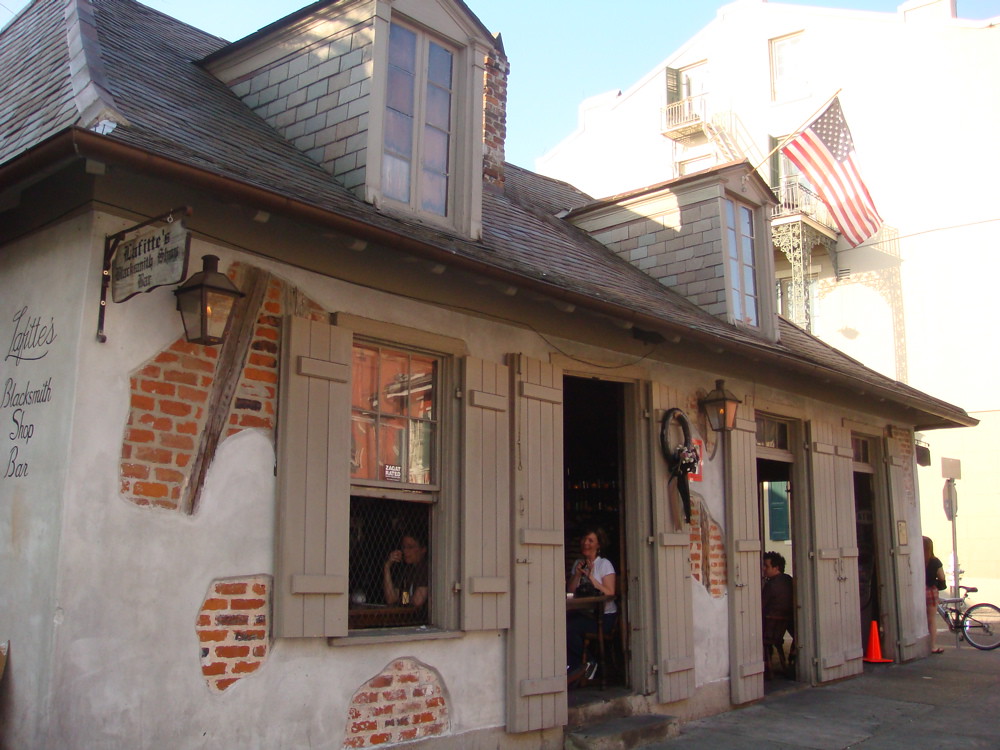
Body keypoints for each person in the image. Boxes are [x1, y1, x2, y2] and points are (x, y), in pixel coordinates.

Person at [566, 528, 617, 683]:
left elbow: (610, 593)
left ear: (598, 545)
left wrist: (591, 578)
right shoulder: (578, 563)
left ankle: (589, 662)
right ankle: (577, 668)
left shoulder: (604, 564)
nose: (585, 543)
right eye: (584, 540)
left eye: (590, 541)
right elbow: (571, 591)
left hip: (604, 617)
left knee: (568, 628)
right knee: (559, 625)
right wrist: (578, 574)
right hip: (585, 613)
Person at [761, 550, 794, 678]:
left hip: (770, 628)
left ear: (776, 568)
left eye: (766, 566)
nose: (764, 569)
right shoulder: (788, 580)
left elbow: (761, 605)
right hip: (782, 626)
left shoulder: (771, 585)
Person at [383, 532, 429, 609]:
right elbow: (391, 598)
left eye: (410, 547)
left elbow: (417, 601)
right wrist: (387, 567)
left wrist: (402, 600)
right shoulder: (408, 570)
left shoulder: (425, 568)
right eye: (404, 547)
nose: (405, 551)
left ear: (423, 550)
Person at [924, 536, 946, 654]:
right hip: (931, 590)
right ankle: (932, 646)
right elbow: (942, 576)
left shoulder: (916, 558)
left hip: (918, 590)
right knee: (931, 619)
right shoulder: (935, 561)